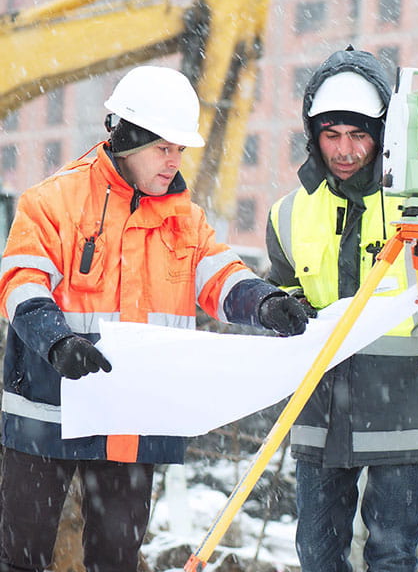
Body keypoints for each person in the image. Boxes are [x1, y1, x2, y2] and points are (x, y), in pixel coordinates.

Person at [0, 65, 310, 572]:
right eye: (164, 148)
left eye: (180, 150)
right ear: (128, 139)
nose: (175, 161)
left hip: (130, 414)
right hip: (49, 405)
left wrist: (266, 303)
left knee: (117, 559)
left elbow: (221, 277)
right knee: (22, 556)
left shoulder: (184, 219)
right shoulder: (50, 202)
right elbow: (21, 284)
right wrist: (56, 342)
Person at [265, 46, 418, 571]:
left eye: (359, 135)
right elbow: (283, 288)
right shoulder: (288, 212)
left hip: (406, 405)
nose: (346, 150)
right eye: (332, 135)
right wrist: (279, 308)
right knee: (316, 554)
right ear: (313, 135)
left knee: (392, 553)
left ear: (385, 130)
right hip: (320, 409)